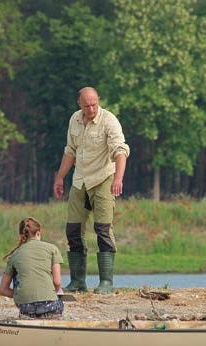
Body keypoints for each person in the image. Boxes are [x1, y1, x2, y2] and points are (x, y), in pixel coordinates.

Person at [53, 87, 130, 294]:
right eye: (87, 105)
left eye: (94, 104)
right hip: (80, 180)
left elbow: (121, 151)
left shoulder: (109, 120)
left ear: (99, 101)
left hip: (103, 177)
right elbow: (70, 150)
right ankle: (78, 281)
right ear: (79, 104)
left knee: (103, 230)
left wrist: (118, 178)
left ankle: (106, 282)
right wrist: (60, 177)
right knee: (73, 230)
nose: (91, 108)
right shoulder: (74, 120)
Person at [0, 217, 65, 319]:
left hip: (26, 308)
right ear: (38, 233)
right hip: (51, 307)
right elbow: (57, 283)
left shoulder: (15, 255)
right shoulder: (52, 249)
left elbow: (3, 290)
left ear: (21, 235)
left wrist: (21, 295)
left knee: (19, 273)